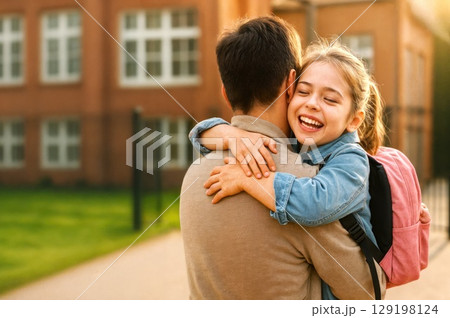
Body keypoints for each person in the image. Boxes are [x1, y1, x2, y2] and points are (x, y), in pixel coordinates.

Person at [180, 17, 385, 300]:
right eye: (305, 90)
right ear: (291, 84)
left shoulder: (194, 174)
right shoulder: (303, 177)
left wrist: (230, 140)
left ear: (225, 94)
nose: (313, 103)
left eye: (329, 99)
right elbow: (365, 292)